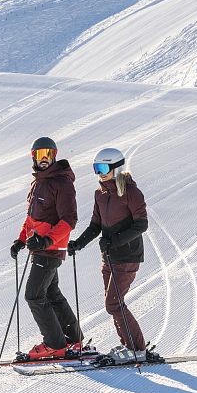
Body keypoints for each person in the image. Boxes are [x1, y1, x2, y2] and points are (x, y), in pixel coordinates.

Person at [68, 148, 149, 363]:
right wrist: (79, 243)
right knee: (115, 303)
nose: (100, 173)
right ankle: (128, 345)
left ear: (117, 167)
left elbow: (142, 224)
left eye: (103, 168)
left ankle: (137, 348)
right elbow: (96, 225)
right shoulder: (100, 193)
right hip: (109, 258)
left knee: (113, 304)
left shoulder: (131, 192)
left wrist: (115, 240)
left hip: (127, 256)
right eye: (96, 169)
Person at [10, 136, 83, 360]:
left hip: (49, 250)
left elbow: (69, 219)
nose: (44, 159)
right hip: (40, 248)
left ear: (54, 155)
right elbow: (32, 218)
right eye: (39, 155)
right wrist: (21, 240)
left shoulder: (61, 183)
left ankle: (55, 344)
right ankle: (73, 339)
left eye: (48, 154)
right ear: (33, 157)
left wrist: (46, 241)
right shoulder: (39, 182)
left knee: (33, 295)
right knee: (51, 293)